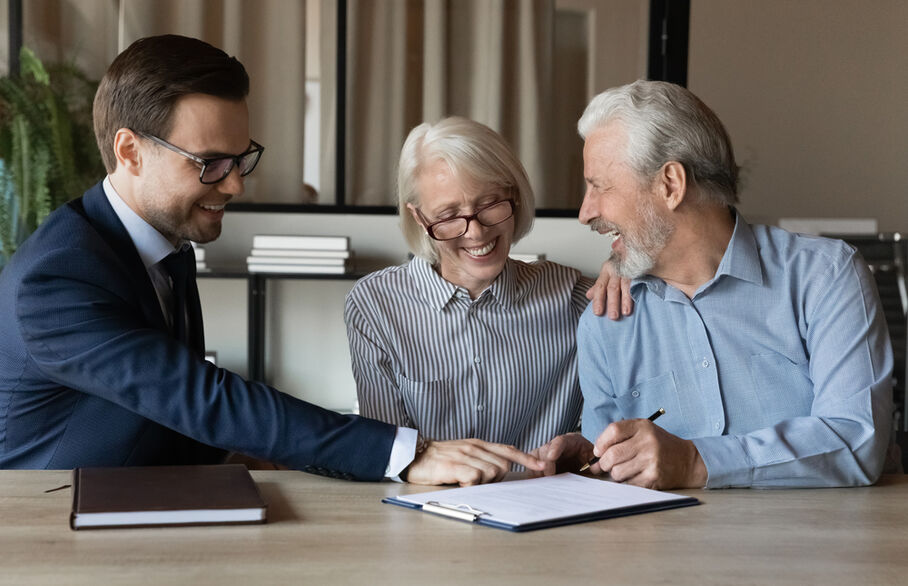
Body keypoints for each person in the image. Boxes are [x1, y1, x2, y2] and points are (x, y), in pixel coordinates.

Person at [0, 35, 544, 486]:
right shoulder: (58, 277)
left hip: (139, 502)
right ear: (130, 151)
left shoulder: (160, 245)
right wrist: (408, 454)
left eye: (241, 159)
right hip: (52, 526)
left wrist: (233, 458)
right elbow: (198, 396)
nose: (235, 184)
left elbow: (164, 410)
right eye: (211, 163)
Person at [534, 80, 893, 489]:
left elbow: (856, 440)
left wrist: (694, 462)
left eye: (599, 186)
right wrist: (592, 461)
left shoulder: (825, 278)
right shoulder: (606, 320)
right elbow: (612, 482)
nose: (585, 212)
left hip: (810, 548)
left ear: (671, 184)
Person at [345, 116, 595, 456]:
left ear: (514, 195)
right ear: (419, 217)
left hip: (544, 503)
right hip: (422, 505)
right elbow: (389, 455)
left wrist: (625, 269)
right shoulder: (375, 305)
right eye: (448, 216)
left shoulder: (574, 299)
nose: (476, 233)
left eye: (489, 204)